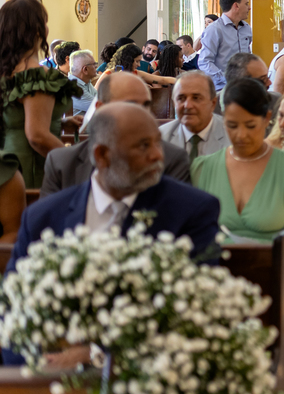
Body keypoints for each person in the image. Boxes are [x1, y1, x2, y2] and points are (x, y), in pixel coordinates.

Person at [8, 102, 221, 268]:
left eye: (158, 142)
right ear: (102, 155)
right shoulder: (42, 218)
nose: (158, 155)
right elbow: (14, 297)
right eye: (144, 145)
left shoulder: (192, 211)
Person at [191, 78, 284, 316]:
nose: (241, 135)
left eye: (250, 126)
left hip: (273, 282)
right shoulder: (203, 167)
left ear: (267, 119)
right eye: (232, 125)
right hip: (218, 283)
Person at [42, 73, 193, 195]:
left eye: (146, 106)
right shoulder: (62, 163)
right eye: (130, 105)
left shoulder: (172, 159)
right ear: (101, 108)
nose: (141, 114)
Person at [0, 0, 81, 190]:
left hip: (5, 162)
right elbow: (37, 136)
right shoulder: (35, 75)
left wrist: (59, 122)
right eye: (44, 22)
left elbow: (13, 117)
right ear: (36, 30)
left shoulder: (5, 70)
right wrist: (75, 163)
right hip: (28, 166)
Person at [160, 71, 229, 161]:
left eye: (196, 98)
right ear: (174, 103)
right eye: (181, 98)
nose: (188, 105)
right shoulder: (161, 138)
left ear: (213, 103)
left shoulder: (231, 135)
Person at [199, 0, 253, 92]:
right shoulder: (214, 30)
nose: (249, 8)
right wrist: (226, 79)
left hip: (244, 88)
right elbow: (205, 62)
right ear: (236, 5)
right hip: (222, 90)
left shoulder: (246, 28)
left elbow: (247, 56)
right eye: (246, 4)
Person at [67, 49, 98, 115]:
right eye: (94, 64)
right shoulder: (73, 87)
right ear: (85, 69)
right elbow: (99, 107)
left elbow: (100, 98)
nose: (96, 66)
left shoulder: (85, 81)